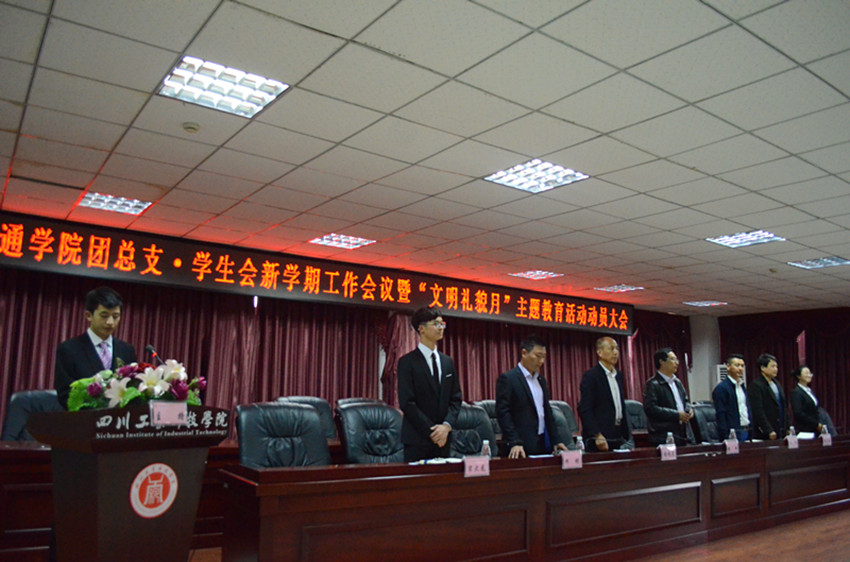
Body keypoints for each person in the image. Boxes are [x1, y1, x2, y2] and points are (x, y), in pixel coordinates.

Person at [54, 286, 138, 409]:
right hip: (84, 418)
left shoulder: (127, 350)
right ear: (89, 315)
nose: (110, 322)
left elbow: (133, 389)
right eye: (104, 315)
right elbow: (65, 394)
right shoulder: (68, 349)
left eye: (115, 316)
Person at [397, 307, 462, 462]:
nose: (441, 328)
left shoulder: (447, 362)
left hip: (444, 439)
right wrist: (433, 431)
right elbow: (407, 402)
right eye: (436, 324)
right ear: (421, 329)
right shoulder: (407, 362)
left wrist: (446, 426)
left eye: (442, 324)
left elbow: (456, 398)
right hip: (417, 439)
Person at [496, 334, 568, 459]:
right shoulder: (508, 379)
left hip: (541, 443)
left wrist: (556, 440)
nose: (542, 361)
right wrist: (514, 441)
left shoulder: (541, 380)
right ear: (524, 353)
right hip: (519, 447)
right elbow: (503, 413)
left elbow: (547, 412)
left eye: (544, 357)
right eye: (538, 356)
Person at [578, 336, 632, 452]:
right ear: (600, 352)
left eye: (616, 349)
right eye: (611, 349)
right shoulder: (591, 376)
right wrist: (596, 434)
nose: (615, 352)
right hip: (599, 437)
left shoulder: (618, 375)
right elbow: (585, 409)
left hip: (617, 434)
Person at [643, 348, 694, 447]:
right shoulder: (652, 384)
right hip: (664, 435)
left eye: (677, 360)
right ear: (661, 362)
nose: (677, 363)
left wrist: (689, 409)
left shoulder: (677, 382)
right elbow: (651, 409)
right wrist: (677, 415)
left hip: (684, 434)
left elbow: (686, 401)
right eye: (673, 359)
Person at [748, 353, 787, 440]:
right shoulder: (756, 385)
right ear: (763, 368)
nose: (776, 369)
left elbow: (784, 406)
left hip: (780, 429)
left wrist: (787, 426)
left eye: (776, 366)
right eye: (772, 366)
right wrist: (768, 429)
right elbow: (758, 410)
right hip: (765, 432)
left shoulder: (777, 383)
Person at [712, 354, 752, 441]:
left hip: (747, 430)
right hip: (733, 433)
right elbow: (721, 414)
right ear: (728, 367)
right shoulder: (722, 388)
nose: (740, 369)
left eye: (742, 366)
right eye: (737, 365)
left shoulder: (742, 386)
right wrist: (725, 436)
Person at [790, 365, 823, 434]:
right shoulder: (796, 392)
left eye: (810, 373)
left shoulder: (809, 391)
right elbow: (798, 413)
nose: (809, 375)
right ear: (799, 376)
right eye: (806, 373)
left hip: (815, 428)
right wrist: (815, 424)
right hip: (804, 429)